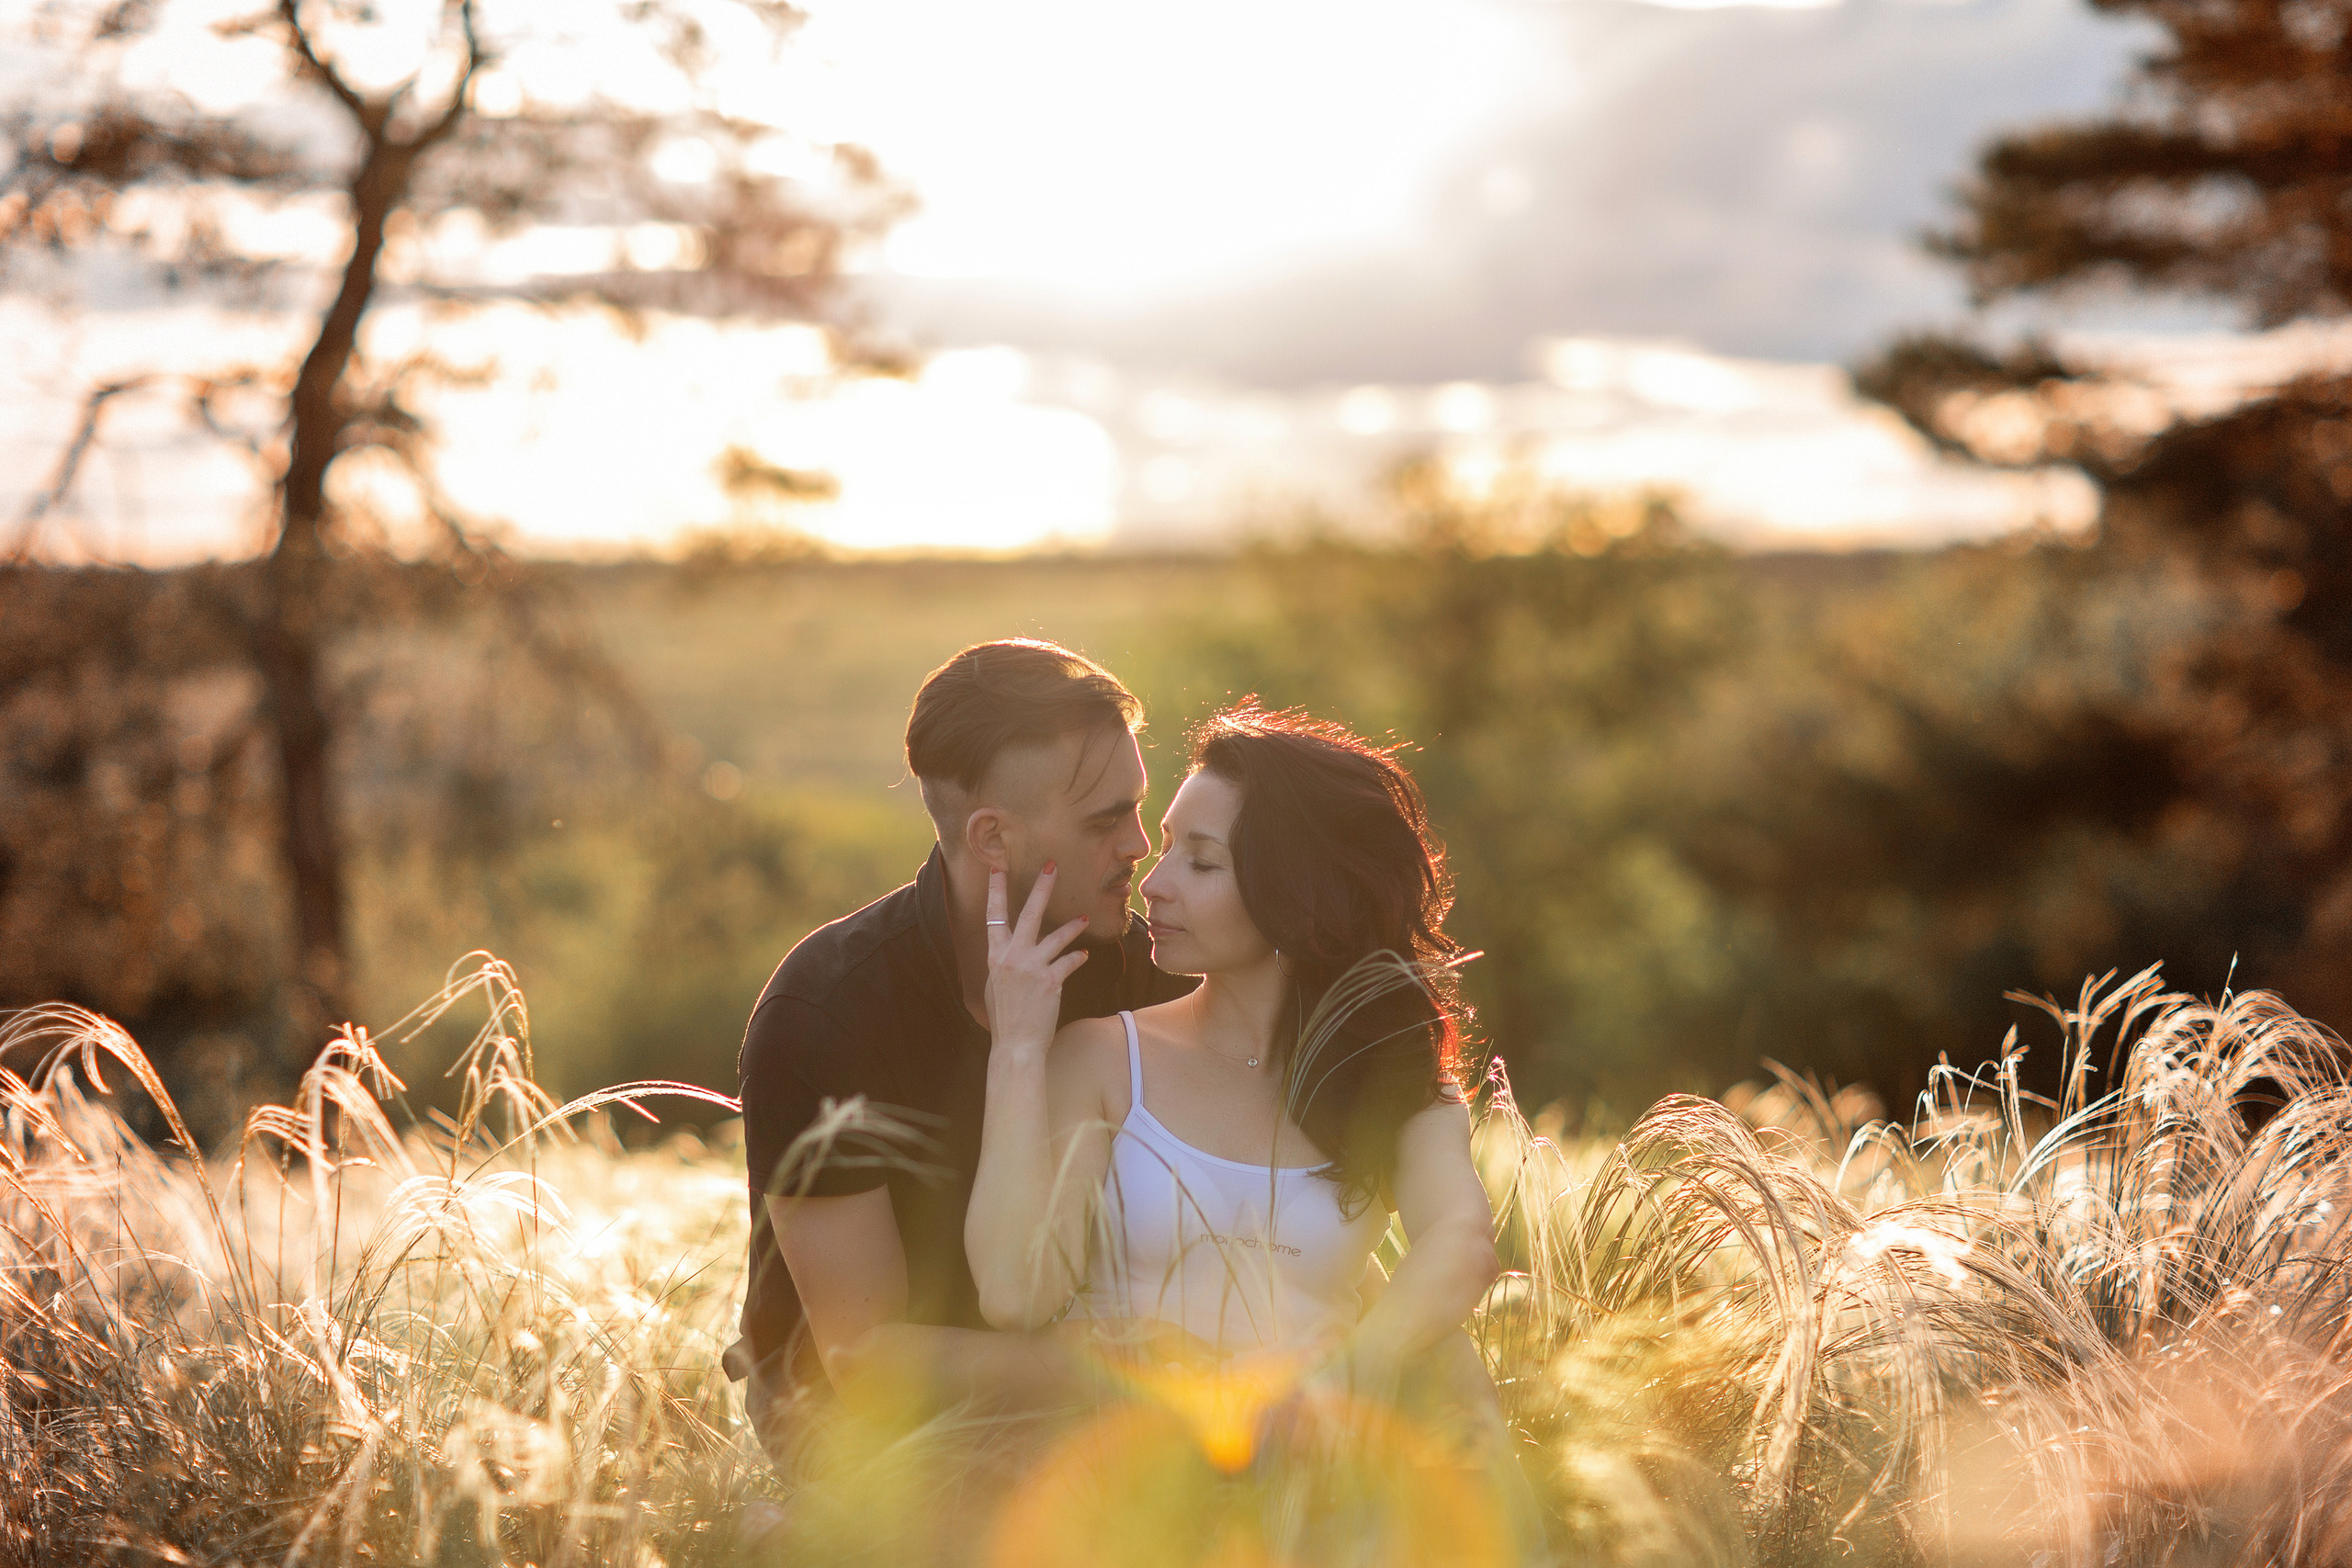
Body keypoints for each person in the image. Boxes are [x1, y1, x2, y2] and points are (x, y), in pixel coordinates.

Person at [727, 639, 1197, 1458]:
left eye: (1136, 808)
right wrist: (1106, 1366)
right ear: (992, 839)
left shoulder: (1144, 974)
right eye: (1103, 820)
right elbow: (862, 1360)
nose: (1137, 845)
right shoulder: (826, 1011)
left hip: (1093, 1408)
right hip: (866, 1440)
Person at [964, 701, 1505, 1413]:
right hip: (1119, 1473)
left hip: (1313, 1478)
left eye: (1202, 861)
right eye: (1164, 849)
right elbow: (1014, 1292)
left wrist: (1335, 1386)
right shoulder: (1101, 1059)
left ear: (1297, 890)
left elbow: (1461, 1244)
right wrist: (1017, 1049)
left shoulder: (1396, 1081)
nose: (1154, 884)